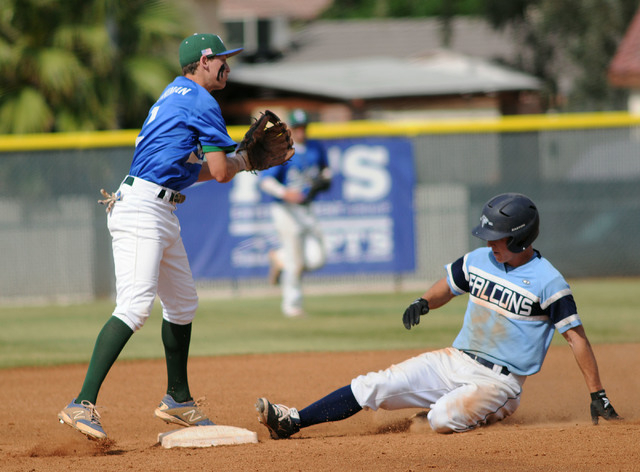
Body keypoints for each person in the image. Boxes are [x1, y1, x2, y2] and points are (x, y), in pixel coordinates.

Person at [255, 193, 621, 437]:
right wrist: (425, 301)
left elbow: (576, 337)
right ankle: (294, 420)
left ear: (521, 238)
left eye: (496, 236)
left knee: (441, 418)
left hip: (500, 384)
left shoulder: (549, 282)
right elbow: (449, 284)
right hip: (454, 360)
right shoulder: (479, 261)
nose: (489, 242)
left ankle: (486, 411)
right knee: (374, 384)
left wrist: (598, 394)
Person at [58, 33, 254, 440]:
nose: (226, 66)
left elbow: (186, 172)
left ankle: (177, 400)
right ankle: (81, 403)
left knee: (182, 303)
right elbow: (219, 172)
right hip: (143, 208)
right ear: (202, 62)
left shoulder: (173, 93)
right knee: (134, 307)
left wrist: (240, 160)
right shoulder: (202, 100)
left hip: (158, 204)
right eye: (220, 59)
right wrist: (246, 160)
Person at [258, 109, 332, 318]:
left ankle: (279, 258)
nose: (301, 131)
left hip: (306, 208)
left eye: (304, 127)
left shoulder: (315, 147)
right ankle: (292, 306)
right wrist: (285, 192)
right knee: (295, 261)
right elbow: (265, 181)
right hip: (285, 209)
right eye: (297, 127)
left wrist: (325, 179)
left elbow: (325, 171)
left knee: (318, 258)